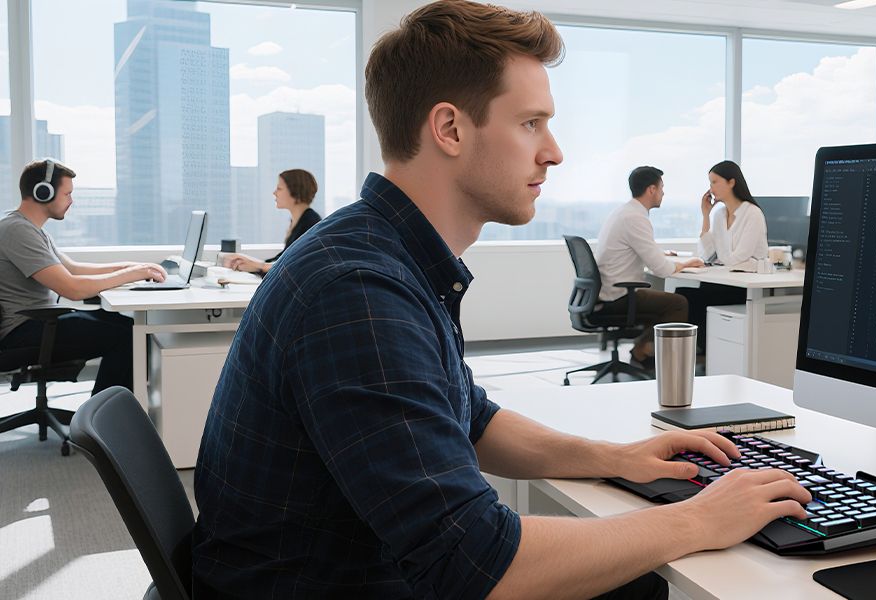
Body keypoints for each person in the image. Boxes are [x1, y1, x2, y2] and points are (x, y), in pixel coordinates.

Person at [191, 3, 810, 600]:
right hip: (333, 586)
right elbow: (476, 564)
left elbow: (469, 415)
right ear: (450, 129)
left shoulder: (384, 254)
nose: (555, 151)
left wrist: (615, 457)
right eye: (530, 123)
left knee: (631, 579)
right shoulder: (358, 290)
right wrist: (699, 520)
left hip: (342, 571)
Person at [0, 159, 166, 395]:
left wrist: (134, 267)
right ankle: (99, 423)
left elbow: (74, 269)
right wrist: (131, 274)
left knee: (126, 325)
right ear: (43, 192)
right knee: (126, 336)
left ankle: (106, 416)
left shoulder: (32, 230)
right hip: (21, 331)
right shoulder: (17, 230)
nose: (71, 201)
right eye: (67, 194)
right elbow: (73, 289)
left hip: (36, 322)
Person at [594, 166, 704, 370]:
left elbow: (638, 250)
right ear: (651, 189)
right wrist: (686, 263)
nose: (663, 193)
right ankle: (652, 355)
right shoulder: (636, 218)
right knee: (678, 303)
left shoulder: (624, 212)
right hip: (619, 296)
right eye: (662, 188)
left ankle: (643, 350)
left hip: (608, 291)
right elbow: (662, 270)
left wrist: (659, 254)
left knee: (666, 300)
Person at [679, 160, 769, 348]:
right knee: (684, 295)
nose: (710, 188)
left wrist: (719, 259)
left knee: (695, 297)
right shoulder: (719, 214)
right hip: (728, 279)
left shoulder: (752, 213)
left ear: (731, 182)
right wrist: (706, 216)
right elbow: (708, 255)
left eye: (714, 182)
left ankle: (702, 350)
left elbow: (739, 257)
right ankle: (700, 350)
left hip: (745, 285)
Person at [218, 169, 322, 274]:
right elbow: (281, 259)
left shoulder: (310, 224)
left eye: (279, 189)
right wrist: (247, 261)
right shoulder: (298, 220)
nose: (274, 193)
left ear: (295, 192)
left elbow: (293, 265)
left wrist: (256, 265)